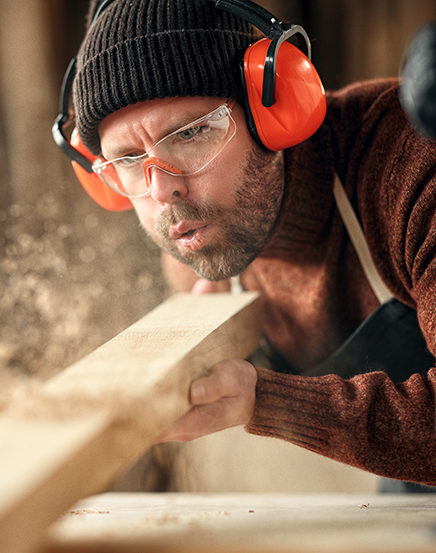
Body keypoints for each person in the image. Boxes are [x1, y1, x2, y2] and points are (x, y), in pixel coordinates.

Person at [53, 0, 436, 491]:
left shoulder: (409, 172)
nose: (162, 189)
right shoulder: (196, 246)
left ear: (273, 112)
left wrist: (265, 399)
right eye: (128, 159)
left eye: (191, 133)